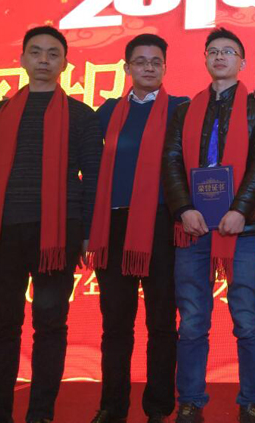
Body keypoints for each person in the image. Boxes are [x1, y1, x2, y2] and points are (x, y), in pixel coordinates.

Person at [0, 25, 102, 423]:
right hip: (1, 235)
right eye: (36, 52)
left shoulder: (81, 116)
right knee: (0, 326)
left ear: (65, 63)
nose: (44, 60)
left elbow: (93, 178)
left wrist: (88, 233)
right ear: (22, 59)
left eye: (53, 54)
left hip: (57, 234)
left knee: (50, 324)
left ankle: (40, 413)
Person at [161, 27, 255, 423]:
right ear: (205, 59)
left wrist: (241, 210)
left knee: (247, 317)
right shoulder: (184, 111)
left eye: (229, 51)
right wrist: (183, 209)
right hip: (193, 227)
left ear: (242, 62)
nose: (220, 57)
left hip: (242, 228)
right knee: (193, 320)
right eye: (213, 51)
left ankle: (251, 401)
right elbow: (171, 161)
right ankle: (191, 400)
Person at [87, 34, 187, 423]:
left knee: (162, 323)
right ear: (127, 67)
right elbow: (88, 166)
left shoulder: (181, 109)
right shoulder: (107, 113)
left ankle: (158, 407)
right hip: (113, 226)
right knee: (116, 324)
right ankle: (112, 407)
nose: (148, 67)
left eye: (155, 61)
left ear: (165, 67)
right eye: (140, 61)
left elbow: (221, 121)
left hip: (162, 226)